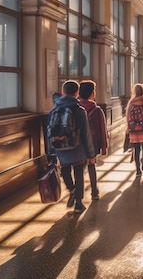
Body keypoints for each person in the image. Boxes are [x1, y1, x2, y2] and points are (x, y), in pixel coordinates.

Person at [47, 80, 96, 214]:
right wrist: (91, 154)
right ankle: (79, 203)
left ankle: (71, 190)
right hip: (78, 149)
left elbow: (49, 132)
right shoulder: (79, 110)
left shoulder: (54, 109)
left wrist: (50, 152)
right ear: (77, 93)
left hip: (60, 149)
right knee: (79, 174)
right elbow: (85, 133)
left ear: (63, 91)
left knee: (65, 171)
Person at [78, 80, 108, 201]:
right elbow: (103, 130)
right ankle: (94, 191)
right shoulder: (97, 110)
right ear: (92, 94)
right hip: (93, 143)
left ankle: (78, 197)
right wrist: (104, 147)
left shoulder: (76, 108)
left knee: (79, 169)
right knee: (91, 166)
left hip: (78, 144)